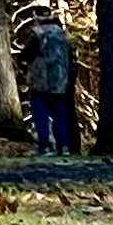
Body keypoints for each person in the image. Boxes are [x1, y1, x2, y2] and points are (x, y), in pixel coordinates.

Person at [21, 12, 80, 154]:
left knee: (40, 114)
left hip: (40, 81)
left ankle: (45, 145)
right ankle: (64, 145)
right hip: (60, 81)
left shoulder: (37, 34)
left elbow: (26, 55)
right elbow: (71, 57)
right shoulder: (63, 35)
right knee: (60, 114)